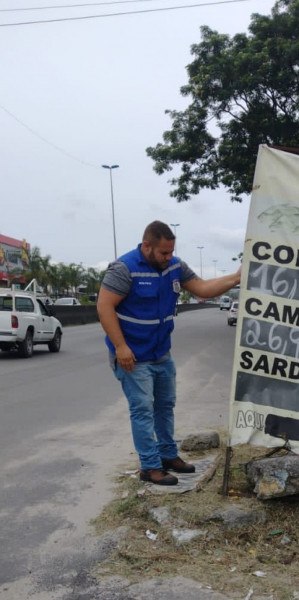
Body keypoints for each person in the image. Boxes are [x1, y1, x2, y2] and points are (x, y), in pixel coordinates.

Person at [97, 221, 241, 486]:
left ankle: (167, 455)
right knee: (142, 409)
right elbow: (104, 305)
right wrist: (120, 346)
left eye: (171, 251)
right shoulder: (124, 268)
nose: (169, 257)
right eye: (164, 252)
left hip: (161, 352)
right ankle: (150, 467)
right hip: (132, 356)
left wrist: (236, 277)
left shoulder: (174, 266)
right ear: (147, 246)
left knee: (165, 405)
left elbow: (202, 289)